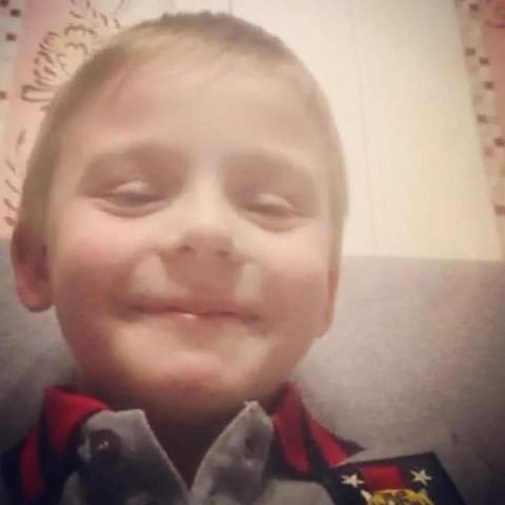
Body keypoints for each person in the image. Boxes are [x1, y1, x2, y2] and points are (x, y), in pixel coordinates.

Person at [0, 11, 500, 505]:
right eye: (134, 192)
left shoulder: (446, 488)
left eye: (270, 205)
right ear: (36, 261)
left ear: (328, 290)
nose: (208, 229)